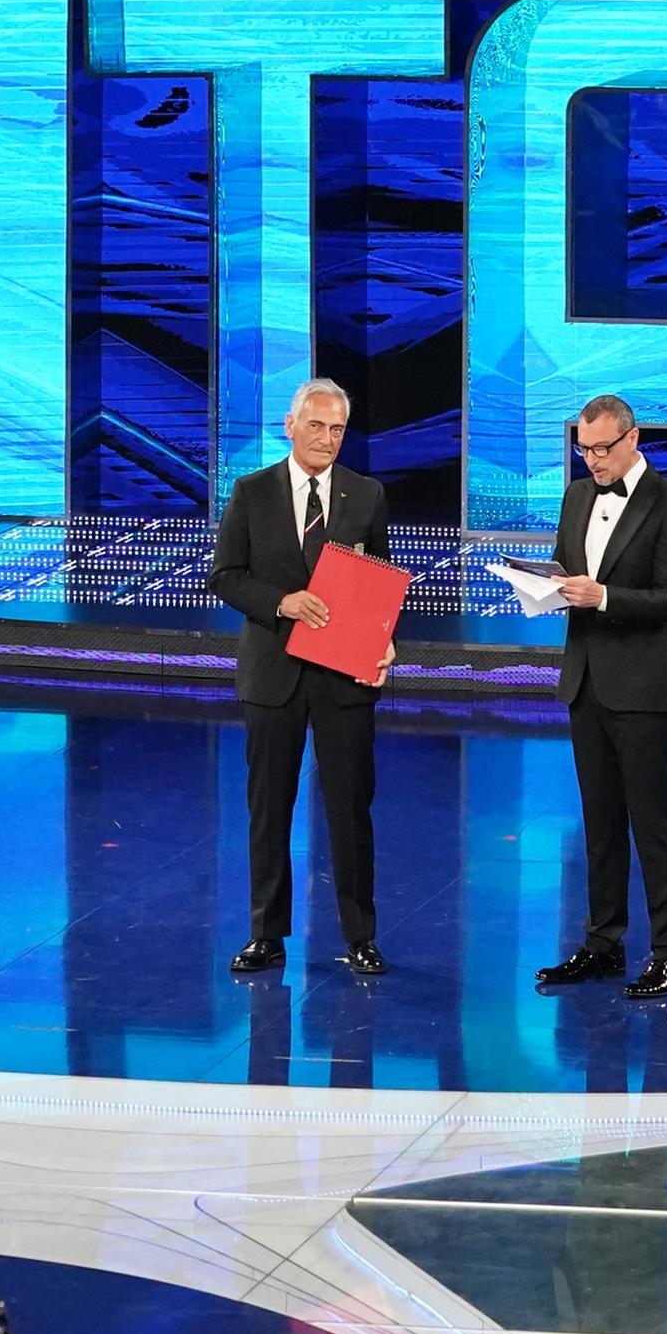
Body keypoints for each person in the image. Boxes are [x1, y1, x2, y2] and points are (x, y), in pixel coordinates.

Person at [207, 380, 391, 980]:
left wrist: (385, 639)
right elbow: (226, 577)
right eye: (316, 426)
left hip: (343, 678)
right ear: (290, 426)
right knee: (269, 808)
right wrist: (281, 603)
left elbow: (380, 586)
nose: (327, 439)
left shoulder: (366, 495)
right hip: (274, 675)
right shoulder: (252, 492)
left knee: (350, 809)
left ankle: (360, 936)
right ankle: (266, 934)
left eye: (337, 429)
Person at [536, 395, 667, 1002]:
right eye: (583, 448)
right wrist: (546, 583)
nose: (593, 460)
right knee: (599, 822)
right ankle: (602, 943)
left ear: (632, 438)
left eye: (602, 448)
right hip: (586, 681)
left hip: (642, 689)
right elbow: (568, 568)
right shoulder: (578, 495)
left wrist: (601, 596)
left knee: (651, 821)